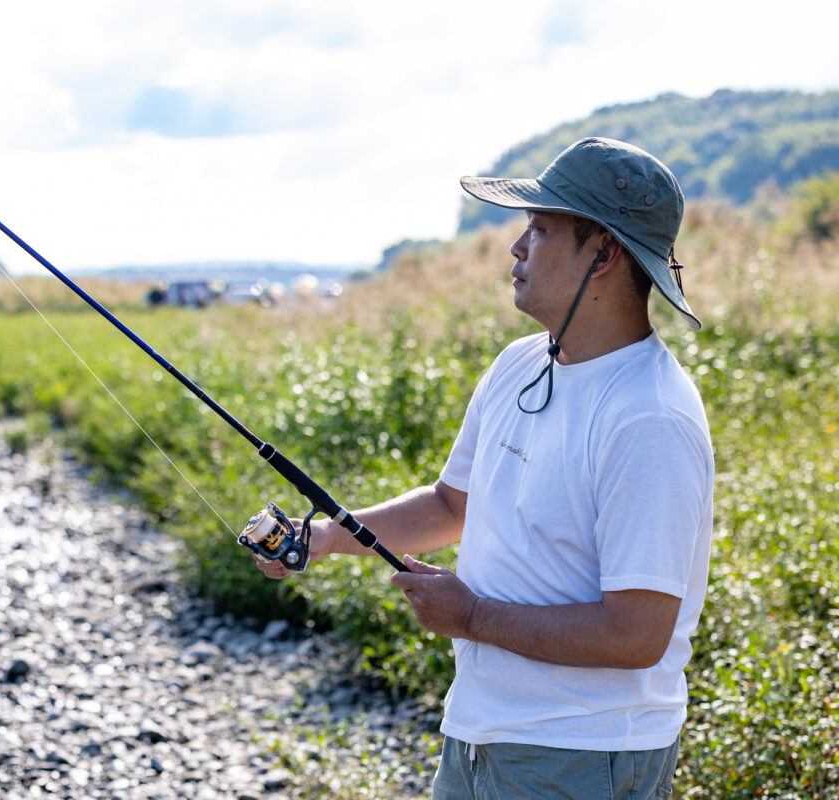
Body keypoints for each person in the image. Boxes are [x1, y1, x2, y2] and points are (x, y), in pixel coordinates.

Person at [254, 138, 714, 799]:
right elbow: (449, 506)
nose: (517, 247)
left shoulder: (651, 419)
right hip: (476, 733)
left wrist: (470, 616)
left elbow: (637, 634)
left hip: (585, 756)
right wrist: (327, 538)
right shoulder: (519, 364)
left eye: (542, 228)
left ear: (605, 253)